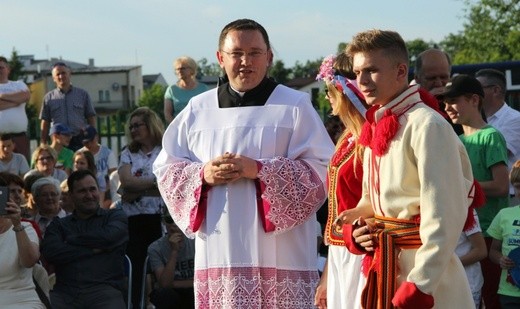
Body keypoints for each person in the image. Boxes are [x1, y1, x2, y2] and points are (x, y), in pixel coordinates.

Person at [153, 18, 334, 308]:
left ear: (269, 57)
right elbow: (165, 168)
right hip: (219, 249)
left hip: (281, 252)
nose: (245, 61)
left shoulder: (294, 106)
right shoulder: (197, 110)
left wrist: (260, 171)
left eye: (255, 53)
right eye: (236, 53)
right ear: (220, 58)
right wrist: (202, 175)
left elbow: (323, 168)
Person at [342, 29, 480, 308]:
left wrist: (421, 284)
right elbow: (372, 200)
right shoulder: (377, 124)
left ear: (401, 70)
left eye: (371, 70)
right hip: (385, 270)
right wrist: (356, 226)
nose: (362, 81)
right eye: (357, 73)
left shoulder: (428, 125)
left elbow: (446, 214)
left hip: (427, 278)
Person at [442, 74, 510, 309]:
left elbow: (501, 186)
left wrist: (458, 186)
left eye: (453, 101)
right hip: (462, 235)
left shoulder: (491, 136)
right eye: (445, 102)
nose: (447, 108)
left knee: (490, 300)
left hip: (490, 235)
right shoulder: (455, 139)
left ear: (474, 100)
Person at [313, 53, 370, 309]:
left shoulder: (369, 141)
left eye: (330, 90)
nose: (327, 97)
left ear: (344, 91)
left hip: (362, 250)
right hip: (339, 251)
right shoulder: (346, 139)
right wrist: (326, 275)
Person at [41, 169, 129, 309]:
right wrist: (93, 250)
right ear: (70, 195)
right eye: (82, 191)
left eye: (92, 189)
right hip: (65, 293)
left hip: (104, 292)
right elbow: (51, 253)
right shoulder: (59, 225)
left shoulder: (115, 217)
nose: (89, 195)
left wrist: (70, 240)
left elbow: (109, 237)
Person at [119, 107, 165, 307]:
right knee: (137, 267)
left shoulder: (165, 150)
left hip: (160, 218)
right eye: (131, 126)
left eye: (138, 125)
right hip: (134, 220)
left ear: (150, 125)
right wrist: (155, 183)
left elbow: (168, 182)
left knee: (157, 267)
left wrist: (137, 190)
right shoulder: (128, 152)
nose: (133, 129)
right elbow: (126, 182)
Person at [0, 173, 45, 309]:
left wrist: (17, 224)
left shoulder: (26, 228)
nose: (17, 195)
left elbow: (29, 261)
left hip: (22, 301)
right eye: (12, 191)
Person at [476, 68, 520, 201]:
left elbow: (493, 153)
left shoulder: (515, 119)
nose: (473, 93)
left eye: (478, 88)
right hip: (485, 196)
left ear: (495, 90)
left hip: (511, 197)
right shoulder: (479, 120)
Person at [39, 62, 96, 151]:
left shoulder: (82, 95)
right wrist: (43, 142)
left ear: (69, 74)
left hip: (79, 139)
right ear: (54, 78)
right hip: (58, 142)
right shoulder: (48, 98)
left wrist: (93, 137)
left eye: (63, 73)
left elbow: (90, 117)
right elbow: (45, 122)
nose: (61, 76)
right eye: (58, 74)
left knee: (80, 164)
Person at [487, 159, 520, 308]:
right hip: (509, 293)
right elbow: (493, 251)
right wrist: (501, 259)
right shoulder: (504, 214)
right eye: (518, 187)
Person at [147, 213, 196, 309]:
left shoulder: (196, 241)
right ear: (164, 222)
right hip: (172, 293)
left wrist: (175, 284)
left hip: (194, 289)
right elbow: (165, 284)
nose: (174, 224)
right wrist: (174, 251)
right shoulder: (155, 248)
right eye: (169, 219)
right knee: (163, 295)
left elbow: (205, 281)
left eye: (178, 218)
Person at [413, 49, 463, 135]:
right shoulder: (408, 106)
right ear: (417, 78)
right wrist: (428, 101)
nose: (439, 84)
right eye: (431, 78)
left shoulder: (464, 103)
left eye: (444, 77)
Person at [0, 56, 31, 161]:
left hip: (19, 138)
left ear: (8, 69)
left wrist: (2, 96)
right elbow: (21, 98)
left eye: (1, 67)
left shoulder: (19, 84)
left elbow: (26, 96)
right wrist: (16, 101)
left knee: (22, 170)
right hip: (0, 139)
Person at [163, 56, 209, 124]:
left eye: (182, 68)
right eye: (177, 69)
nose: (179, 71)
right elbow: (167, 114)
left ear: (192, 70)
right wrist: (178, 128)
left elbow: (208, 110)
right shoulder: (171, 90)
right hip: (178, 129)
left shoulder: (204, 89)